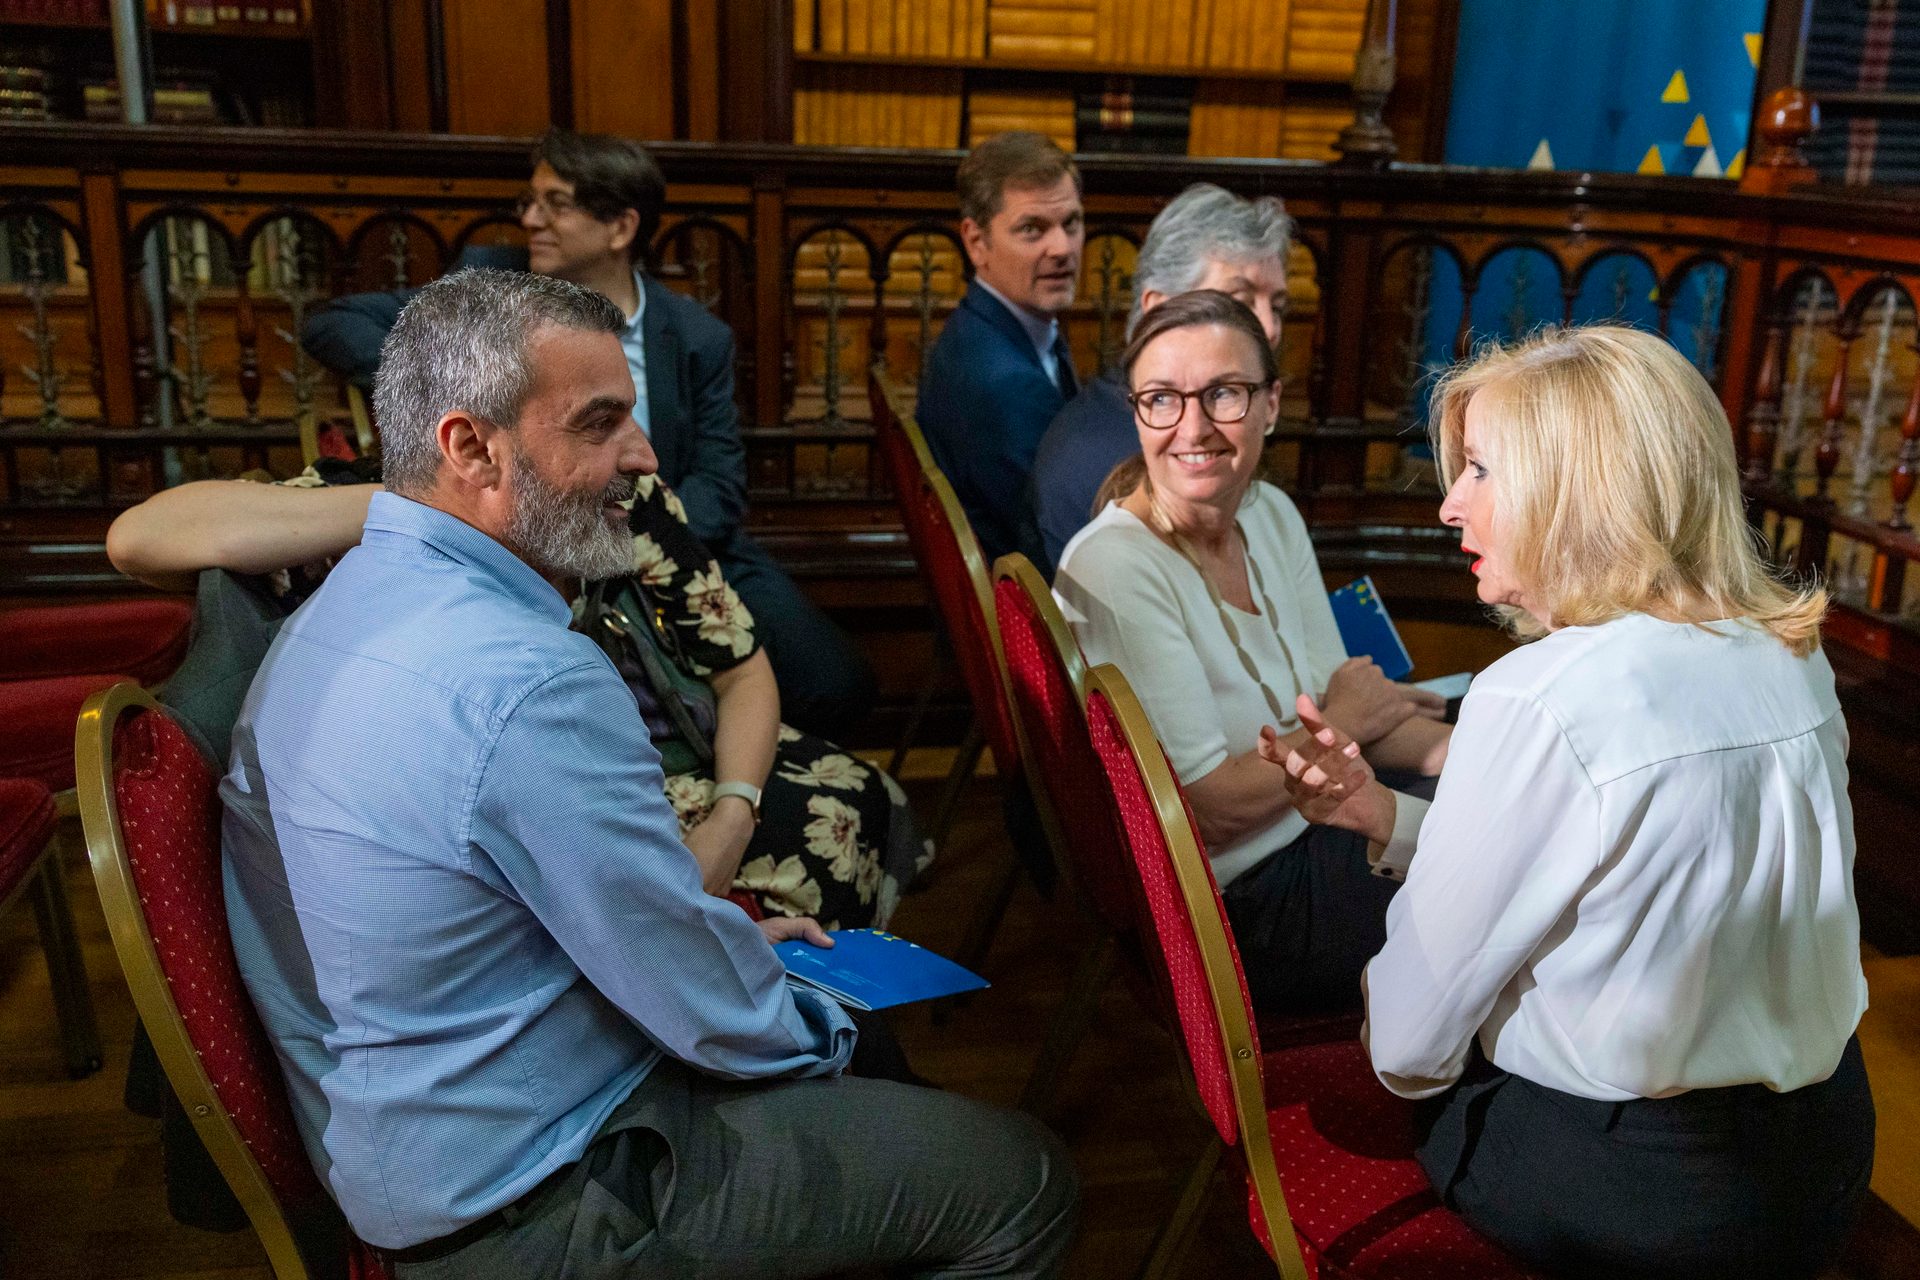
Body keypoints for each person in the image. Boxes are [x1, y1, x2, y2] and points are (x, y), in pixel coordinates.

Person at [219, 269, 1076, 1276]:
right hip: (535, 1193)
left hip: (418, 1116)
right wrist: (816, 1017)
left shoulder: (346, 596)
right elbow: (699, 1001)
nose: (645, 453)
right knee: (1027, 1179)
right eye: (598, 423)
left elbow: (586, 919)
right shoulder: (527, 680)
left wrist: (728, 945)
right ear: (470, 448)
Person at [1273, 325, 1874, 1280]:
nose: (1447, 505)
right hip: (1820, 1162)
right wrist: (1395, 824)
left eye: (1479, 470)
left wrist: (1388, 1002)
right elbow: (1647, 871)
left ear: (1579, 491)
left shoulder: (1542, 694)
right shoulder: (1789, 656)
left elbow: (1406, 1050)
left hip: (1640, 1193)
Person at [108, 473, 923, 933]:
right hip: (543, 799)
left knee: (860, 798)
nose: (628, 449)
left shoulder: (628, 499)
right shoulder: (401, 520)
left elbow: (742, 671)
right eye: (593, 419)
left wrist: (731, 815)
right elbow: (138, 540)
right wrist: (422, 504)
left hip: (688, 758)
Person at [301, 128, 876, 739]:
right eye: (531, 200)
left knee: (837, 683)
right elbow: (334, 325)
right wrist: (467, 377)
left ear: (620, 228)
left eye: (557, 203)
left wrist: (648, 540)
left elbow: (721, 485)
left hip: (678, 541)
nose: (530, 218)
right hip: (538, 541)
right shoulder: (491, 290)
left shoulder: (695, 335)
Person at [1053, 291, 1447, 1015]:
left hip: (1332, 817)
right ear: (1135, 411)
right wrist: (1351, 720)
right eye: (1162, 399)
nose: (1192, 428)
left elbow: (1354, 706)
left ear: (1270, 403)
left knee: (1503, 819)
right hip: (1247, 905)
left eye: (1223, 394)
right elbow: (1208, 810)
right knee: (1502, 879)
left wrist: (1484, 754)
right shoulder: (1114, 565)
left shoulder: (1270, 512)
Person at [1029, 183, 1291, 576]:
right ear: (1158, 310)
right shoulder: (1122, 458)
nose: (1269, 327)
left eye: (1279, 307)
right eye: (1239, 302)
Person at [917, 131, 1085, 564]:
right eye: (1033, 229)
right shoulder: (1002, 382)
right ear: (977, 243)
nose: (1063, 248)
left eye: (1071, 223)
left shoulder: (995, 329)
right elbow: (1062, 543)